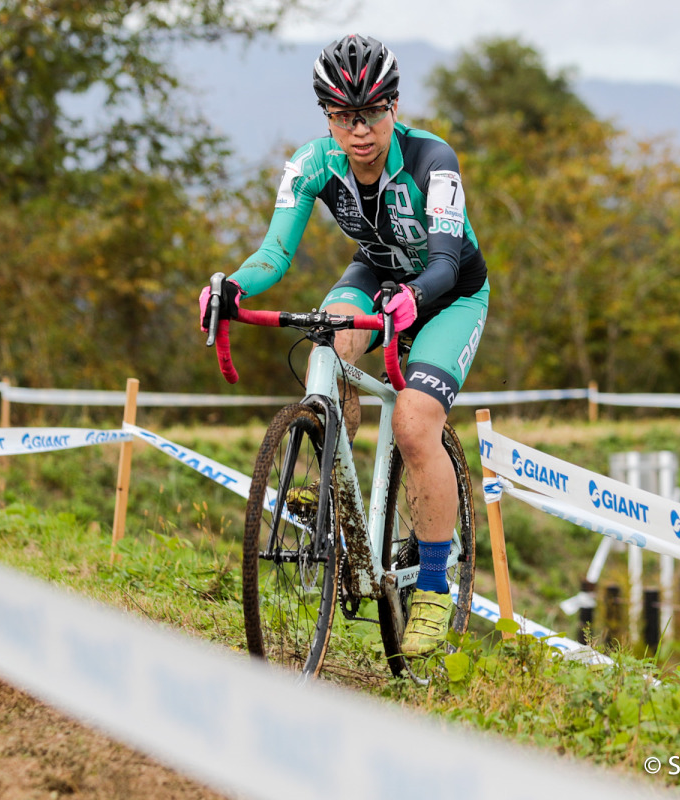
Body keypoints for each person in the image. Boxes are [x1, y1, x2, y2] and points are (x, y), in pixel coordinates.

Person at [199, 34, 489, 657]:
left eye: (373, 113)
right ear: (327, 117)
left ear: (393, 107)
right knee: (326, 341)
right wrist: (231, 285)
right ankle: (334, 493)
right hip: (376, 277)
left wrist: (415, 298)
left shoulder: (433, 162)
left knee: (414, 422)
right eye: (344, 117)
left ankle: (436, 589)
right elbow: (274, 253)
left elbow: (442, 259)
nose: (360, 130)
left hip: (449, 293)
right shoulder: (309, 166)